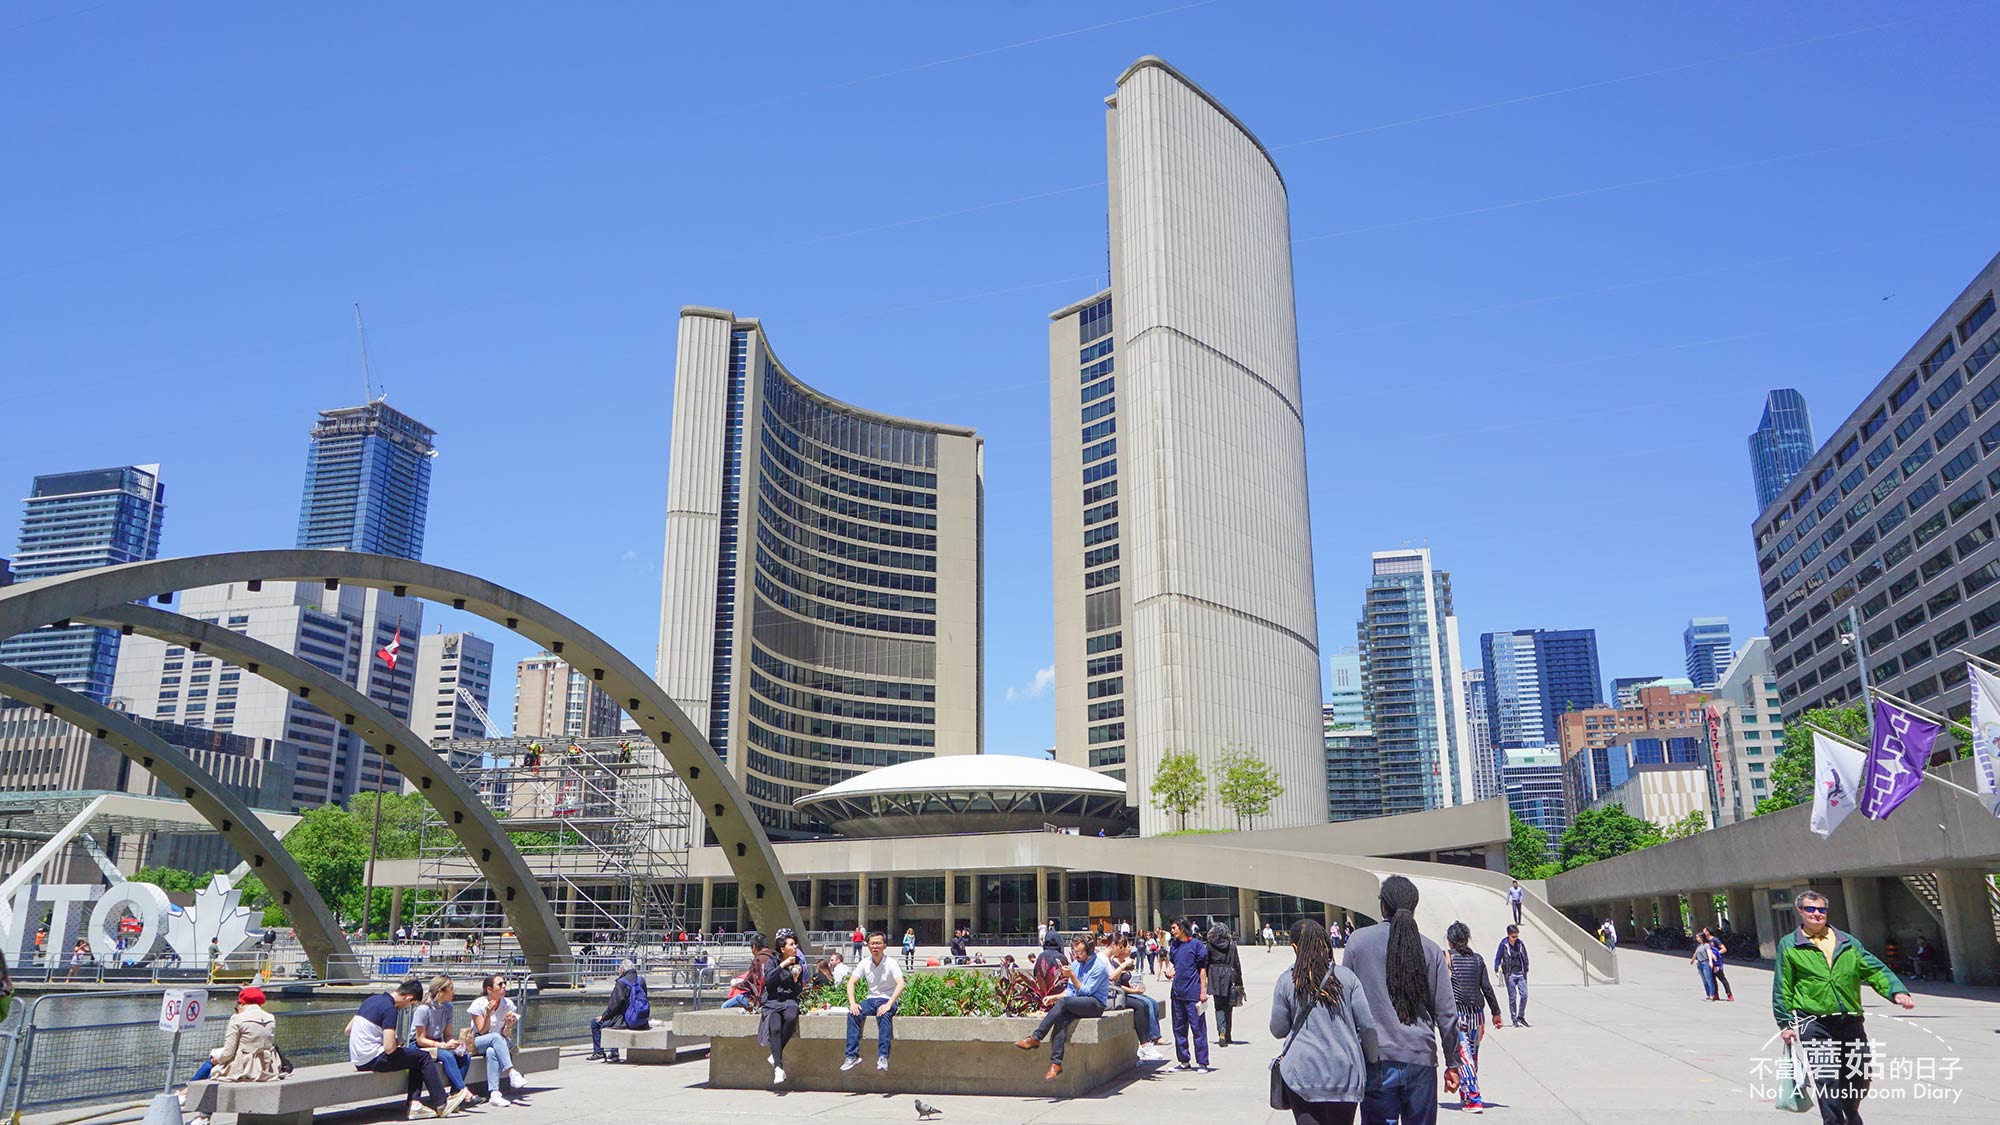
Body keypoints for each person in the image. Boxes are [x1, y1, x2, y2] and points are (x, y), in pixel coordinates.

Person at [1774, 888, 1913, 1125]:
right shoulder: (1790, 945)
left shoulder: (1847, 942)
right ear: (1800, 912)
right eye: (1810, 909)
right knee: (1827, 1078)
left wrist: (1896, 990)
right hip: (1814, 1022)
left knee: (1858, 1076)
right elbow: (1782, 984)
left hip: (1850, 1020)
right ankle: (1834, 1121)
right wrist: (1786, 1023)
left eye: (1821, 909)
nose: (1817, 914)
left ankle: (1850, 1111)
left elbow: (1874, 968)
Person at [1342, 874, 1462, 1125]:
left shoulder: (1358, 943)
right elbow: (1447, 1013)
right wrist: (1453, 1062)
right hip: (1421, 1058)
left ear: (1383, 905)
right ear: (1414, 906)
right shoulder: (1431, 950)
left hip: (1377, 1059)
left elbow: (1345, 1006)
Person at [1271, 919, 1379, 1125]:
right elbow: (1367, 1025)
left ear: (1295, 947)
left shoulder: (1287, 981)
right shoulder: (1348, 978)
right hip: (1344, 1074)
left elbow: (1278, 1029)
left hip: (1303, 1075)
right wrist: (1372, 1058)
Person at [348, 978, 468, 1120]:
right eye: (410, 1004)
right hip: (374, 1058)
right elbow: (389, 1048)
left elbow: (348, 1030)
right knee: (424, 1057)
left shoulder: (372, 1000)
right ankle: (442, 1103)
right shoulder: (390, 1009)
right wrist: (395, 1041)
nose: (407, 1008)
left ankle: (415, 1105)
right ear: (409, 998)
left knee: (415, 1057)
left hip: (358, 1059)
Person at [178, 986, 284, 1125]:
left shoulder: (238, 1019)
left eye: (238, 1004)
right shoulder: (270, 1018)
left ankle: (196, 1107)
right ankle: (189, 1098)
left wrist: (218, 1059)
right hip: (266, 1067)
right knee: (214, 1064)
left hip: (244, 1067)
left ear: (242, 1003)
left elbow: (228, 1053)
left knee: (213, 1066)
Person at [1016, 936, 1110, 1079]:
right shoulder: (1076, 964)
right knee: (1061, 1019)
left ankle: (1036, 1037)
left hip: (1095, 1004)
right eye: (1074, 952)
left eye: (1079, 953)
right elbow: (1070, 992)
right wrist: (1054, 997)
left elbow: (1086, 992)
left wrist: (1071, 975)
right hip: (1077, 1002)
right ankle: (1056, 1063)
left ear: (1089, 951)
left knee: (1065, 1003)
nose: (1076, 956)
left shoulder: (1099, 967)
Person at [1444, 922, 1502, 1115]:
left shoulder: (1447, 958)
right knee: (1472, 1057)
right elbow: (1486, 988)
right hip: (1477, 1014)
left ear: (1450, 940)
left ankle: (1474, 1098)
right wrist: (1496, 1012)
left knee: (1464, 1057)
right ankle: (1466, 1093)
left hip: (1458, 1014)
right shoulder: (1477, 959)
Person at [409, 977, 480, 1107]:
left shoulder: (448, 1008)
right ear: (441, 991)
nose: (454, 992)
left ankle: (454, 1093)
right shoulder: (423, 1010)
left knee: (464, 1056)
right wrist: (442, 1045)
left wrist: (454, 1043)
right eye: (451, 989)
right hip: (419, 1045)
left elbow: (447, 1035)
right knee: (447, 1056)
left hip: (437, 1043)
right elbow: (420, 1039)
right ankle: (464, 1092)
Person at [843, 931, 905, 1072]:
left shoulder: (891, 963)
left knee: (883, 1015)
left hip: (888, 999)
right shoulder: (864, 962)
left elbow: (901, 983)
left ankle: (883, 1057)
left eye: (878, 943)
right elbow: (851, 982)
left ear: (884, 946)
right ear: (868, 946)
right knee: (853, 1014)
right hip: (871, 1000)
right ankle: (851, 1056)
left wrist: (889, 1004)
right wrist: (853, 1003)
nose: (875, 947)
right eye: (872, 944)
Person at [467, 975, 529, 1107]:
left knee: (491, 1051)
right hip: (479, 1041)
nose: (504, 987)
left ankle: (494, 1093)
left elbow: (506, 1034)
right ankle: (512, 1072)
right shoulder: (478, 1004)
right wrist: (488, 1014)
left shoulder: (508, 1004)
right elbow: (482, 1031)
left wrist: (508, 1025)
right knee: (494, 1038)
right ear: (489, 989)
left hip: (500, 1041)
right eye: (500, 984)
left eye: (504, 984)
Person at [1106, 934, 1166, 1060]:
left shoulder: (1117, 961)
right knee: (1143, 1005)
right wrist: (1134, 990)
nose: (1126, 949)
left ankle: (1151, 1039)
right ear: (1114, 946)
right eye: (1123, 947)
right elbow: (1113, 980)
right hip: (1116, 995)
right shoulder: (1108, 960)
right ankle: (1148, 1041)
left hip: (1123, 992)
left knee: (1152, 1002)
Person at [1161, 917, 1210, 1072]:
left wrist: (1203, 991)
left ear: (1182, 928)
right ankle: (1184, 1061)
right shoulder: (1174, 946)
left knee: (1198, 1029)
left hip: (1193, 994)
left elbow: (1202, 969)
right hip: (1177, 994)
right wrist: (1171, 973)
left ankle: (1202, 1062)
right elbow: (1178, 965)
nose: (1172, 930)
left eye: (1174, 927)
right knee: (1179, 1028)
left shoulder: (1196, 945)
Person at [760, 930, 804, 1085]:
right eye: (791, 944)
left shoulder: (797, 962)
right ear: (782, 948)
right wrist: (782, 965)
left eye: (795, 944)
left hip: (789, 1000)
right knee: (776, 1029)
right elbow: (769, 981)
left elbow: (798, 990)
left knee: (791, 1017)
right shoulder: (773, 961)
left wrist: (796, 979)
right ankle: (778, 1067)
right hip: (772, 1001)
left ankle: (775, 1056)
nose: (795, 947)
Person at [589, 958, 650, 1063]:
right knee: (614, 1021)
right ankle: (613, 1053)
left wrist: (603, 1016)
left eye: (619, 970)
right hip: (642, 1021)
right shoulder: (641, 981)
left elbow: (614, 1005)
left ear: (622, 970)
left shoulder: (622, 983)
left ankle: (599, 1053)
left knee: (596, 1023)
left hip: (627, 1020)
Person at [1207, 923, 1246, 1046]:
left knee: (1218, 1006)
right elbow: (1237, 964)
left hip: (1215, 976)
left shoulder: (1210, 945)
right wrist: (1240, 981)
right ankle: (1228, 1034)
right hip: (1230, 975)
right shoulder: (1232, 945)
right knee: (1229, 1007)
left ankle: (1221, 1030)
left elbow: (1206, 961)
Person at [1492, 925, 1531, 1028]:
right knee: (1512, 998)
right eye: (1513, 936)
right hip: (1510, 974)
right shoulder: (1504, 944)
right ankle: (1514, 1019)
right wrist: (1497, 969)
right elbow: (1498, 957)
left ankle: (1520, 1017)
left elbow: (1525, 956)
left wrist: (1526, 968)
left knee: (1524, 995)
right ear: (1508, 935)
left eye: (1516, 936)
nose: (1515, 938)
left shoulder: (1520, 944)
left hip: (1521, 973)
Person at [1691, 927, 1719, 1001]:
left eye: (1698, 937)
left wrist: (1710, 962)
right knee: (1704, 980)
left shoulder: (1706, 945)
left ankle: (1712, 995)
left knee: (1708, 979)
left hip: (1705, 963)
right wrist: (1692, 960)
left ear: (1702, 938)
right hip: (1700, 964)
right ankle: (1708, 994)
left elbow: (1709, 953)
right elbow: (1695, 953)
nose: (1697, 939)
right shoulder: (1699, 946)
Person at [1705, 932, 1734, 1002]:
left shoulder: (1715, 940)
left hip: (1717, 963)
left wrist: (1716, 953)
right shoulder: (1705, 941)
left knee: (1722, 979)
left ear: (1708, 932)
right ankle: (1715, 994)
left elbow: (1724, 949)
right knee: (1712, 980)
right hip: (1709, 963)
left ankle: (1729, 994)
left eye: (1705, 931)